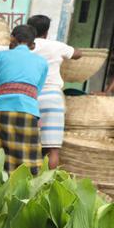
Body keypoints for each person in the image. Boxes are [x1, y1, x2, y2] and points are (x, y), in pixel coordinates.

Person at [0, 24, 49, 174]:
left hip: (1, 112)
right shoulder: (42, 63)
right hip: (28, 113)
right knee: (27, 163)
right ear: (32, 45)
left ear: (12, 39)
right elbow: (34, 93)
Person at [26, 14, 82, 167]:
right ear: (46, 31)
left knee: (27, 146)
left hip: (30, 97)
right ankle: (48, 185)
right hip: (52, 97)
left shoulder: (24, 46)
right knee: (52, 149)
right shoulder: (56, 45)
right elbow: (77, 54)